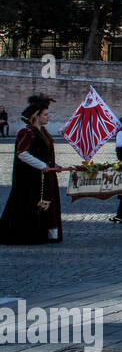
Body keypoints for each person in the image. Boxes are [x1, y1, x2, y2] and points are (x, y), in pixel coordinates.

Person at [0, 95, 62, 245]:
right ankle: (28, 234)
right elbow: (22, 153)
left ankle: (47, 233)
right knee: (29, 205)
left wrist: (54, 165)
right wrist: (43, 166)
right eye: (45, 115)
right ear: (36, 116)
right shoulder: (27, 132)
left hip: (45, 175)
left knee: (47, 204)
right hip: (30, 177)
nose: (48, 117)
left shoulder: (44, 133)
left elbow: (44, 154)